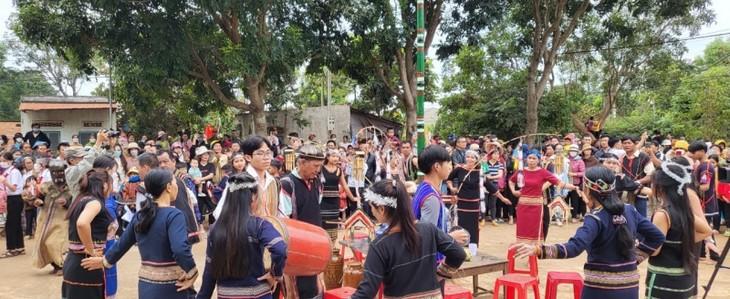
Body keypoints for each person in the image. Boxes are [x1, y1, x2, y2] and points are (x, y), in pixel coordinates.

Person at [510, 166, 666, 299]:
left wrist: (538, 249)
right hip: (630, 287)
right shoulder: (630, 210)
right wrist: (635, 259)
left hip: (600, 289)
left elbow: (574, 247)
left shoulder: (595, 218)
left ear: (588, 190)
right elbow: (657, 237)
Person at [81, 169, 198, 299]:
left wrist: (105, 260)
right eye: (175, 182)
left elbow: (123, 243)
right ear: (169, 187)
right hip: (171, 286)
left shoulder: (141, 215)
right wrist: (192, 271)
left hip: (146, 285)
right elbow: (180, 249)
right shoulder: (174, 215)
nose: (177, 186)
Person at [351, 179, 466, 298]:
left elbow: (366, 293)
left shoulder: (380, 245)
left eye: (372, 207)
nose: (372, 212)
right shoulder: (428, 229)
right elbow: (458, 254)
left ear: (381, 209)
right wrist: (438, 275)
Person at [197, 173, 288, 299]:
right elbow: (279, 249)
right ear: (252, 197)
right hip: (257, 293)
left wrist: (202, 296)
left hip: (226, 295)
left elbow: (209, 270)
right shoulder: (260, 225)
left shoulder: (216, 228)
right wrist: (276, 274)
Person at [645, 160, 713, 298]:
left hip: (664, 278)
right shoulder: (684, 210)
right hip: (683, 278)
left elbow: (655, 250)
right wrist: (683, 240)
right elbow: (707, 230)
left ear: (661, 187)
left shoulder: (662, 214)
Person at [278, 144, 325, 298]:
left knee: (314, 285)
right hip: (298, 246)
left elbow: (315, 207)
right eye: (315, 165)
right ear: (302, 162)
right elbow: (284, 220)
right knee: (298, 289)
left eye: (320, 166)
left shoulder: (317, 181)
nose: (318, 170)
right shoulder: (287, 184)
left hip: (316, 243)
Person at [508, 148, 581, 245]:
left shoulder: (543, 172)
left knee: (535, 228)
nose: (531, 160)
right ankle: (522, 247)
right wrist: (513, 191)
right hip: (523, 205)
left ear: (538, 160)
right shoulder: (521, 171)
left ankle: (534, 251)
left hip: (536, 206)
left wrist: (574, 187)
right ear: (526, 159)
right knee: (522, 227)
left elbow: (559, 182)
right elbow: (511, 181)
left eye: (534, 158)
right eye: (529, 158)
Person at [61, 169, 114, 298]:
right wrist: (90, 249)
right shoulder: (94, 203)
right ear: (105, 185)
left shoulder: (80, 200)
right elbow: (82, 223)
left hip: (74, 263)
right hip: (86, 264)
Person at [31, 159, 71, 275]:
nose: (57, 174)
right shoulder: (46, 186)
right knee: (43, 242)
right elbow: (40, 198)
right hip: (45, 221)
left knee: (54, 243)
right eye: (54, 172)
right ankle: (55, 265)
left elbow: (76, 203)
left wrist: (66, 203)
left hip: (62, 221)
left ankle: (62, 265)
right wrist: (38, 201)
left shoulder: (72, 187)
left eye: (59, 172)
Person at [687, 141, 720, 261]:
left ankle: (714, 254)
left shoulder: (706, 166)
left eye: (693, 152)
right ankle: (702, 253)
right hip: (702, 202)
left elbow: (705, 186)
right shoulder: (700, 165)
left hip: (705, 203)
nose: (692, 155)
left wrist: (689, 190)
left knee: (705, 228)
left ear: (702, 152)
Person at [320, 149, 358, 241]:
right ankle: (323, 243)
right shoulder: (320, 169)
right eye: (333, 156)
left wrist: (352, 198)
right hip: (322, 201)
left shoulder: (339, 170)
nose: (335, 158)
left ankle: (332, 247)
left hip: (334, 202)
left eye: (337, 156)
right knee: (323, 223)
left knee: (333, 224)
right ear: (328, 157)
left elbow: (345, 185)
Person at [66, 131, 114, 200]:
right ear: (72, 160)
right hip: (80, 206)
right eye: (82, 157)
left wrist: (109, 147)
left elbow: (101, 161)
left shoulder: (86, 168)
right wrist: (98, 142)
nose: (84, 158)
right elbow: (88, 161)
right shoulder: (70, 171)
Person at [620, 135, 654, 217]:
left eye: (629, 143)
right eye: (624, 143)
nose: (626, 145)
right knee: (626, 217)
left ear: (635, 144)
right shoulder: (621, 158)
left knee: (641, 217)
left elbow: (650, 175)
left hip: (641, 192)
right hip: (625, 193)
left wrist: (637, 182)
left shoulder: (644, 157)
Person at [0, 152, 25, 258]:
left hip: (15, 198)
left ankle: (11, 248)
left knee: (10, 224)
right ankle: (19, 246)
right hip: (11, 198)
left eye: (4, 160)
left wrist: (5, 182)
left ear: (9, 160)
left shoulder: (14, 172)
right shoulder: (8, 171)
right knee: (15, 223)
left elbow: (14, 188)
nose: (2, 163)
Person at [567, 144, 586, 223]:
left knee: (575, 200)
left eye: (574, 151)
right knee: (566, 199)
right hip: (566, 182)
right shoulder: (566, 159)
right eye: (571, 151)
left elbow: (583, 172)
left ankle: (574, 216)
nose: (572, 152)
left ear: (577, 152)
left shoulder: (580, 161)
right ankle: (566, 215)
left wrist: (574, 174)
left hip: (576, 183)